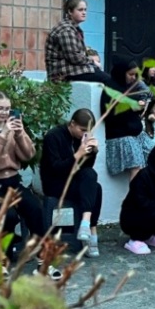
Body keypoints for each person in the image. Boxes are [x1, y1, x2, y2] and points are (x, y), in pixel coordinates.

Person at [0, 91, 52, 268]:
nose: (4, 112)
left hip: (12, 182)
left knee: (35, 209)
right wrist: (3, 134)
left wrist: (20, 134)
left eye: (7, 109)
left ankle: (42, 257)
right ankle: (2, 259)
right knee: (8, 216)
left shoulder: (14, 128)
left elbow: (28, 155)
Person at [40, 108, 103, 261]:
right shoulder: (53, 136)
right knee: (95, 188)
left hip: (75, 181)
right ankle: (91, 232)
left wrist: (92, 152)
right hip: (55, 183)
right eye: (82, 130)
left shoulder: (81, 138)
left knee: (92, 179)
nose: (84, 134)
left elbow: (86, 168)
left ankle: (86, 224)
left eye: (88, 132)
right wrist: (79, 153)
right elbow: (56, 169)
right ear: (72, 123)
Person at [45, 0, 113, 84]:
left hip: (72, 70)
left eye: (85, 10)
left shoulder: (73, 28)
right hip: (63, 73)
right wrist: (92, 61)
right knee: (108, 80)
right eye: (80, 10)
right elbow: (74, 57)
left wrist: (91, 56)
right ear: (70, 11)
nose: (84, 13)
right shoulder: (66, 30)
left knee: (107, 77)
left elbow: (80, 52)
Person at [101, 60, 148, 180]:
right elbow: (111, 114)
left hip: (134, 133)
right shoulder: (111, 89)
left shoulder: (127, 88)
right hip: (120, 135)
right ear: (122, 73)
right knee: (137, 166)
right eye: (130, 74)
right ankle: (136, 192)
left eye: (135, 75)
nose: (133, 78)